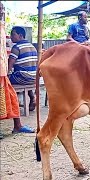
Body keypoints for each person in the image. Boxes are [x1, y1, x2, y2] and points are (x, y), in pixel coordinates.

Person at [0, 3, 34, 139]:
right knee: (10, 96)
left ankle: (17, 125)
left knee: (11, 96)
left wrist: (7, 72)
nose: (2, 11)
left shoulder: (15, 45)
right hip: (14, 73)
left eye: (2, 8)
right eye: (1, 9)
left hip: (5, 71)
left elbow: (10, 63)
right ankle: (18, 125)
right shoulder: (30, 45)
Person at [8, 26, 38, 111]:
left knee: (5, 80)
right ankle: (32, 98)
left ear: (20, 35)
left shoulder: (16, 47)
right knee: (23, 74)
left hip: (23, 78)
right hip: (33, 78)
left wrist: (8, 74)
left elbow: (10, 65)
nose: (11, 37)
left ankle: (12, 104)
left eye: (13, 34)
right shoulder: (32, 46)